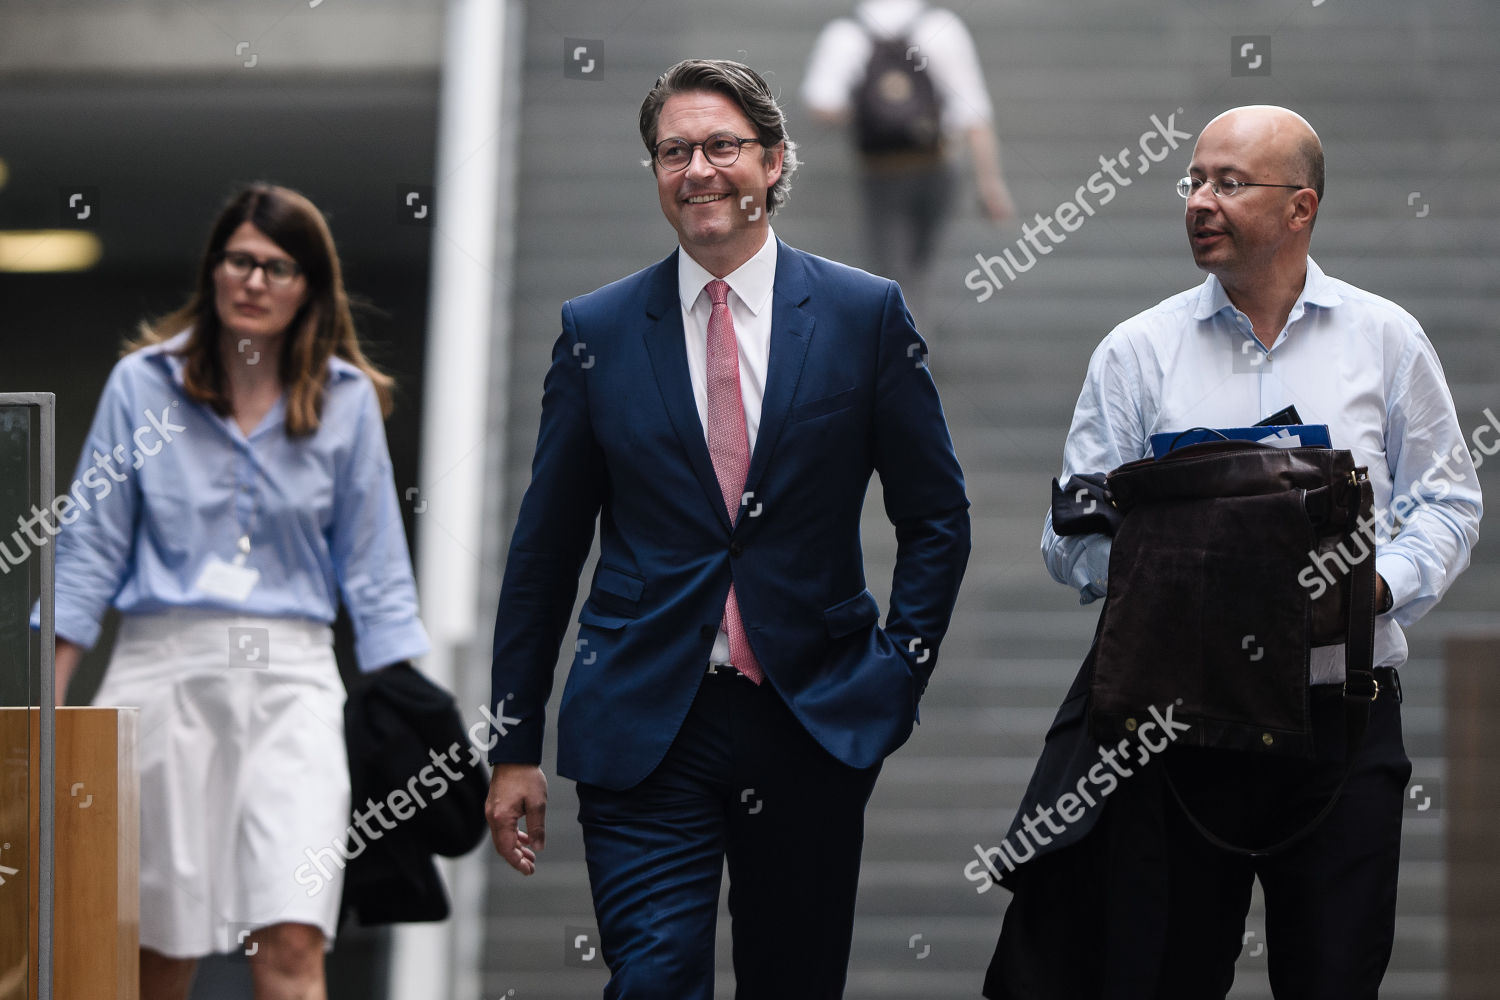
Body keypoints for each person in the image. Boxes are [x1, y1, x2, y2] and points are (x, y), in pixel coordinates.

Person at [483, 58, 971, 998]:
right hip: (643, 720)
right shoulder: (597, 331)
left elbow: (936, 515)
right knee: (654, 980)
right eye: (674, 152)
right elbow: (543, 553)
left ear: (775, 162)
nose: (699, 169)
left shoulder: (863, 315)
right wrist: (513, 745)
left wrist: (896, 673)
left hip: (810, 718)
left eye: (722, 146)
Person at [982, 106, 1482, 999]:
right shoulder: (1137, 352)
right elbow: (1067, 535)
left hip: (1344, 720)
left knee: (1334, 977)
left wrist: (1373, 591)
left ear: (1301, 209)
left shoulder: (1387, 340)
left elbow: (1447, 501)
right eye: (1195, 180)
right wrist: (1166, 585)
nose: (1200, 201)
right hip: (1180, 731)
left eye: (1229, 182)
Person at [43, 183, 430, 1000]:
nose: (255, 282)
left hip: (293, 684)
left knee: (292, 938)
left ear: (309, 290)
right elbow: (87, 554)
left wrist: (415, 710)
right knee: (155, 954)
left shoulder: (347, 399)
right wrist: (35, 721)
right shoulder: (140, 387)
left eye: (279, 267)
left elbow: (375, 565)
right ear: (214, 272)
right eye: (240, 261)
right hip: (159, 675)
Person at [802, 0, 1015, 320]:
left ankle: (901, 350)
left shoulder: (847, 34)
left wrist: (877, 109)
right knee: (921, 267)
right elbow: (974, 111)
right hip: (938, 166)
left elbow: (823, 104)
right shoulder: (941, 27)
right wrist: (990, 183)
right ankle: (914, 348)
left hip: (881, 171)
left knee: (892, 270)